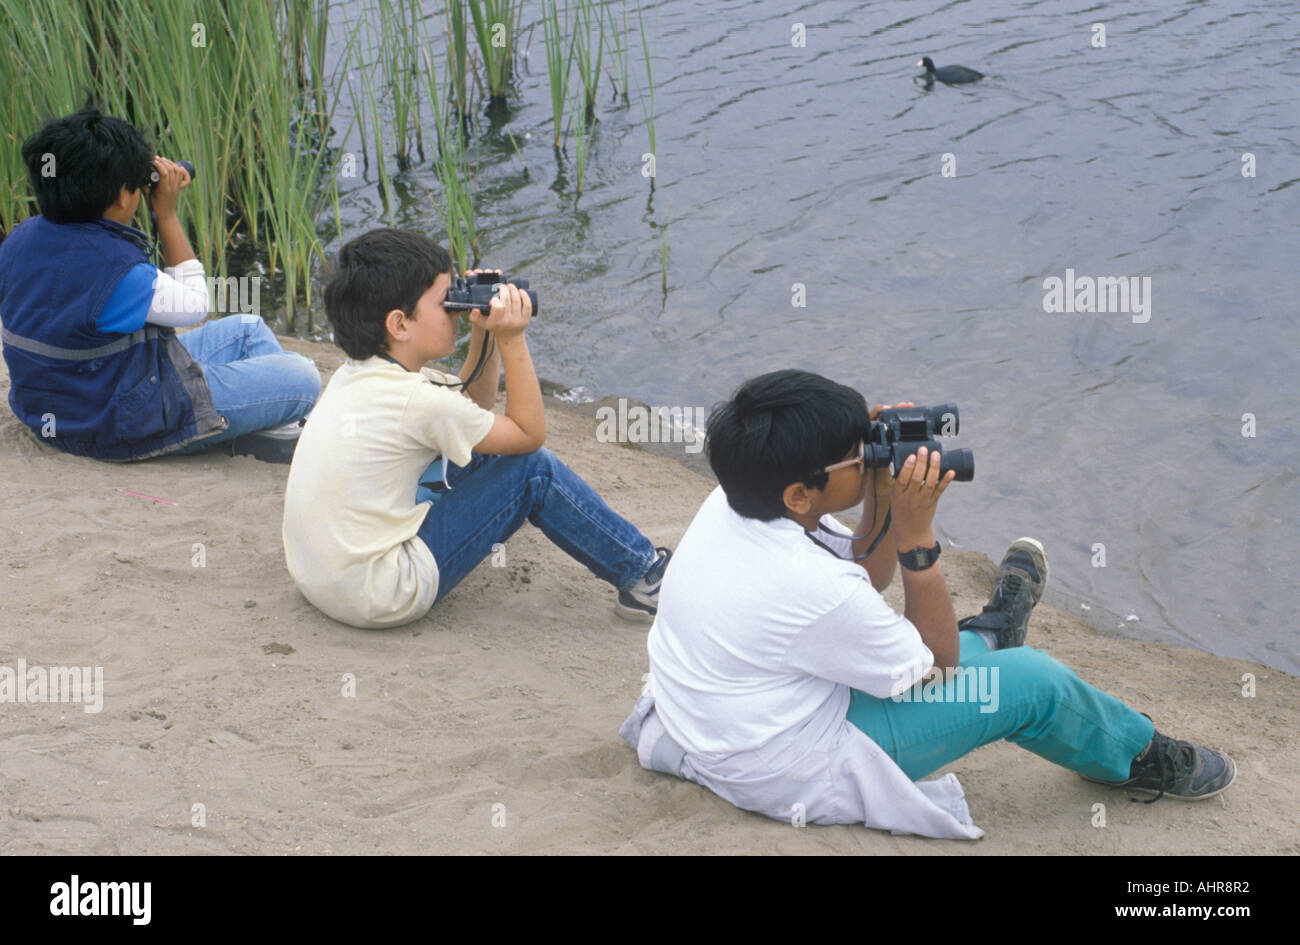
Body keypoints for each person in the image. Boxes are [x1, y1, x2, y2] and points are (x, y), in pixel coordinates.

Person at [621, 369, 1235, 839]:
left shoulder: (730, 503)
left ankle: (991, 634)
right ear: (800, 493)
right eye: (856, 457)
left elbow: (864, 568)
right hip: (789, 762)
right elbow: (935, 666)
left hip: (727, 716)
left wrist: (881, 485)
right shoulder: (808, 587)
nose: (869, 457)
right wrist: (918, 536)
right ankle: (1134, 756)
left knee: (936, 652)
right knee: (1032, 684)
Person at [281, 228, 670, 629]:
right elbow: (528, 435)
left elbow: (472, 411)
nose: (455, 310)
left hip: (323, 577)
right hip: (383, 591)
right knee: (532, 470)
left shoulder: (361, 374)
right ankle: (644, 576)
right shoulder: (416, 401)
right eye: (445, 302)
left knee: (480, 446)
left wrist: (483, 331)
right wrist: (512, 339)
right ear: (400, 324)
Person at [0, 106, 320, 462]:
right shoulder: (119, 274)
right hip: (113, 422)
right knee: (303, 377)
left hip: (61, 402)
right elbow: (197, 305)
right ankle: (262, 426)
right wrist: (165, 214)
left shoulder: (19, 239)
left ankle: (269, 426)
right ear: (124, 197)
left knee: (248, 330)